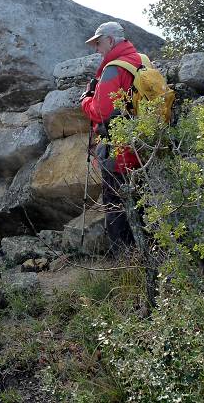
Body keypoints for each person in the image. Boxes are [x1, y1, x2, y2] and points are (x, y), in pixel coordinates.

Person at [79, 21, 143, 252]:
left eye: (98, 43)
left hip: (119, 150)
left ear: (111, 40)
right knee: (141, 204)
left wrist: (86, 100)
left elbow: (102, 112)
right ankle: (150, 255)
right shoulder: (141, 61)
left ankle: (126, 261)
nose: (97, 49)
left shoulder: (113, 68)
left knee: (116, 205)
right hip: (144, 146)